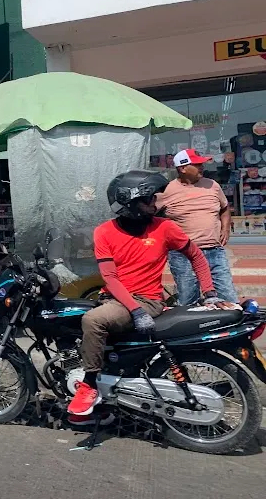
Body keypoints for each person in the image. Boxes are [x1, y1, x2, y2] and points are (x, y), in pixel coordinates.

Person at [68, 170, 218, 419]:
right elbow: (110, 278)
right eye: (149, 199)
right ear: (130, 203)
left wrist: (209, 292)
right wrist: (132, 309)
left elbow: (197, 256)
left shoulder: (165, 228)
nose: (155, 203)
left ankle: (89, 385)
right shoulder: (104, 232)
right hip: (117, 299)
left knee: (93, 320)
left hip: (145, 301)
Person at [156, 149, 237, 305]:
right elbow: (151, 216)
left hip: (214, 251)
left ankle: (229, 328)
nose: (202, 167)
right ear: (182, 168)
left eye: (202, 164)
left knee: (228, 297)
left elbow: (225, 208)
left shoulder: (212, 185)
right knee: (188, 300)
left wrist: (225, 229)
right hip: (183, 254)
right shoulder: (166, 191)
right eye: (197, 164)